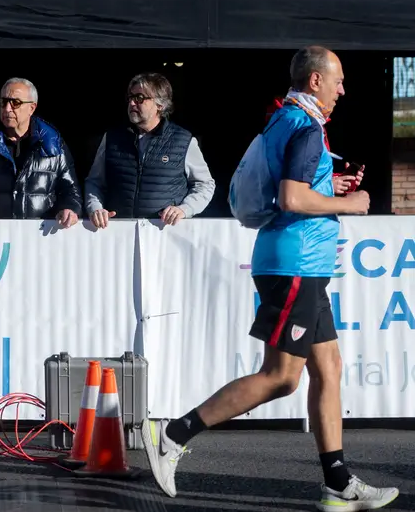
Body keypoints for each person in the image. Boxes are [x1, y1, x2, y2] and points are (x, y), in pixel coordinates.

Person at [141, 46, 399, 512]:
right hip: (294, 265)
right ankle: (172, 434)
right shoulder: (305, 128)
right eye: (337, 80)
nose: (343, 90)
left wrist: (328, 187)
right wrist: (349, 203)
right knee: (281, 377)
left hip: (303, 266)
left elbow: (294, 189)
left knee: (329, 369)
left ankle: (337, 483)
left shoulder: (286, 119)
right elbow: (292, 198)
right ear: (314, 81)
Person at [85, 73, 215, 227]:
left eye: (140, 98)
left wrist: (184, 209)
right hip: (118, 233)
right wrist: (96, 208)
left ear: (160, 105)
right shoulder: (112, 138)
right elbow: (95, 182)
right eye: (130, 97)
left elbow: (204, 184)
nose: (132, 103)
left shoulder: (183, 140)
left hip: (165, 234)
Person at [0, 77, 81, 227]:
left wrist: (69, 209)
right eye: (3, 102)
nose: (7, 109)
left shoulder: (53, 144)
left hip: (41, 238)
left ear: (32, 108)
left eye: (15, 103)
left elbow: (71, 191)